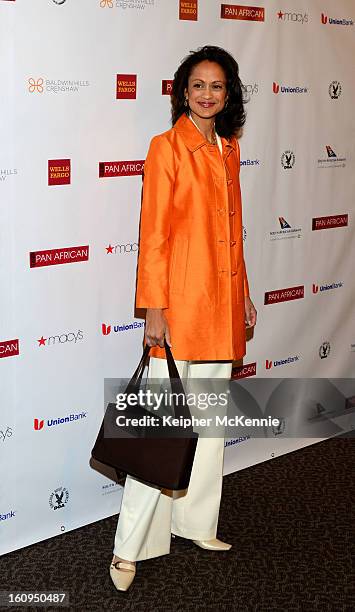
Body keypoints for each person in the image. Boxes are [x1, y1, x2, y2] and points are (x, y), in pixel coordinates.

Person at [110, 45, 257, 592]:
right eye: (198, 85)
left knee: (210, 426)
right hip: (178, 308)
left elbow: (234, 231)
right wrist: (153, 307)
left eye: (217, 86)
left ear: (228, 94)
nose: (207, 94)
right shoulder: (167, 147)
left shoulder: (230, 149)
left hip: (221, 306)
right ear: (183, 90)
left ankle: (196, 523)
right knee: (162, 429)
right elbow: (153, 237)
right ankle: (129, 548)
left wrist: (244, 293)